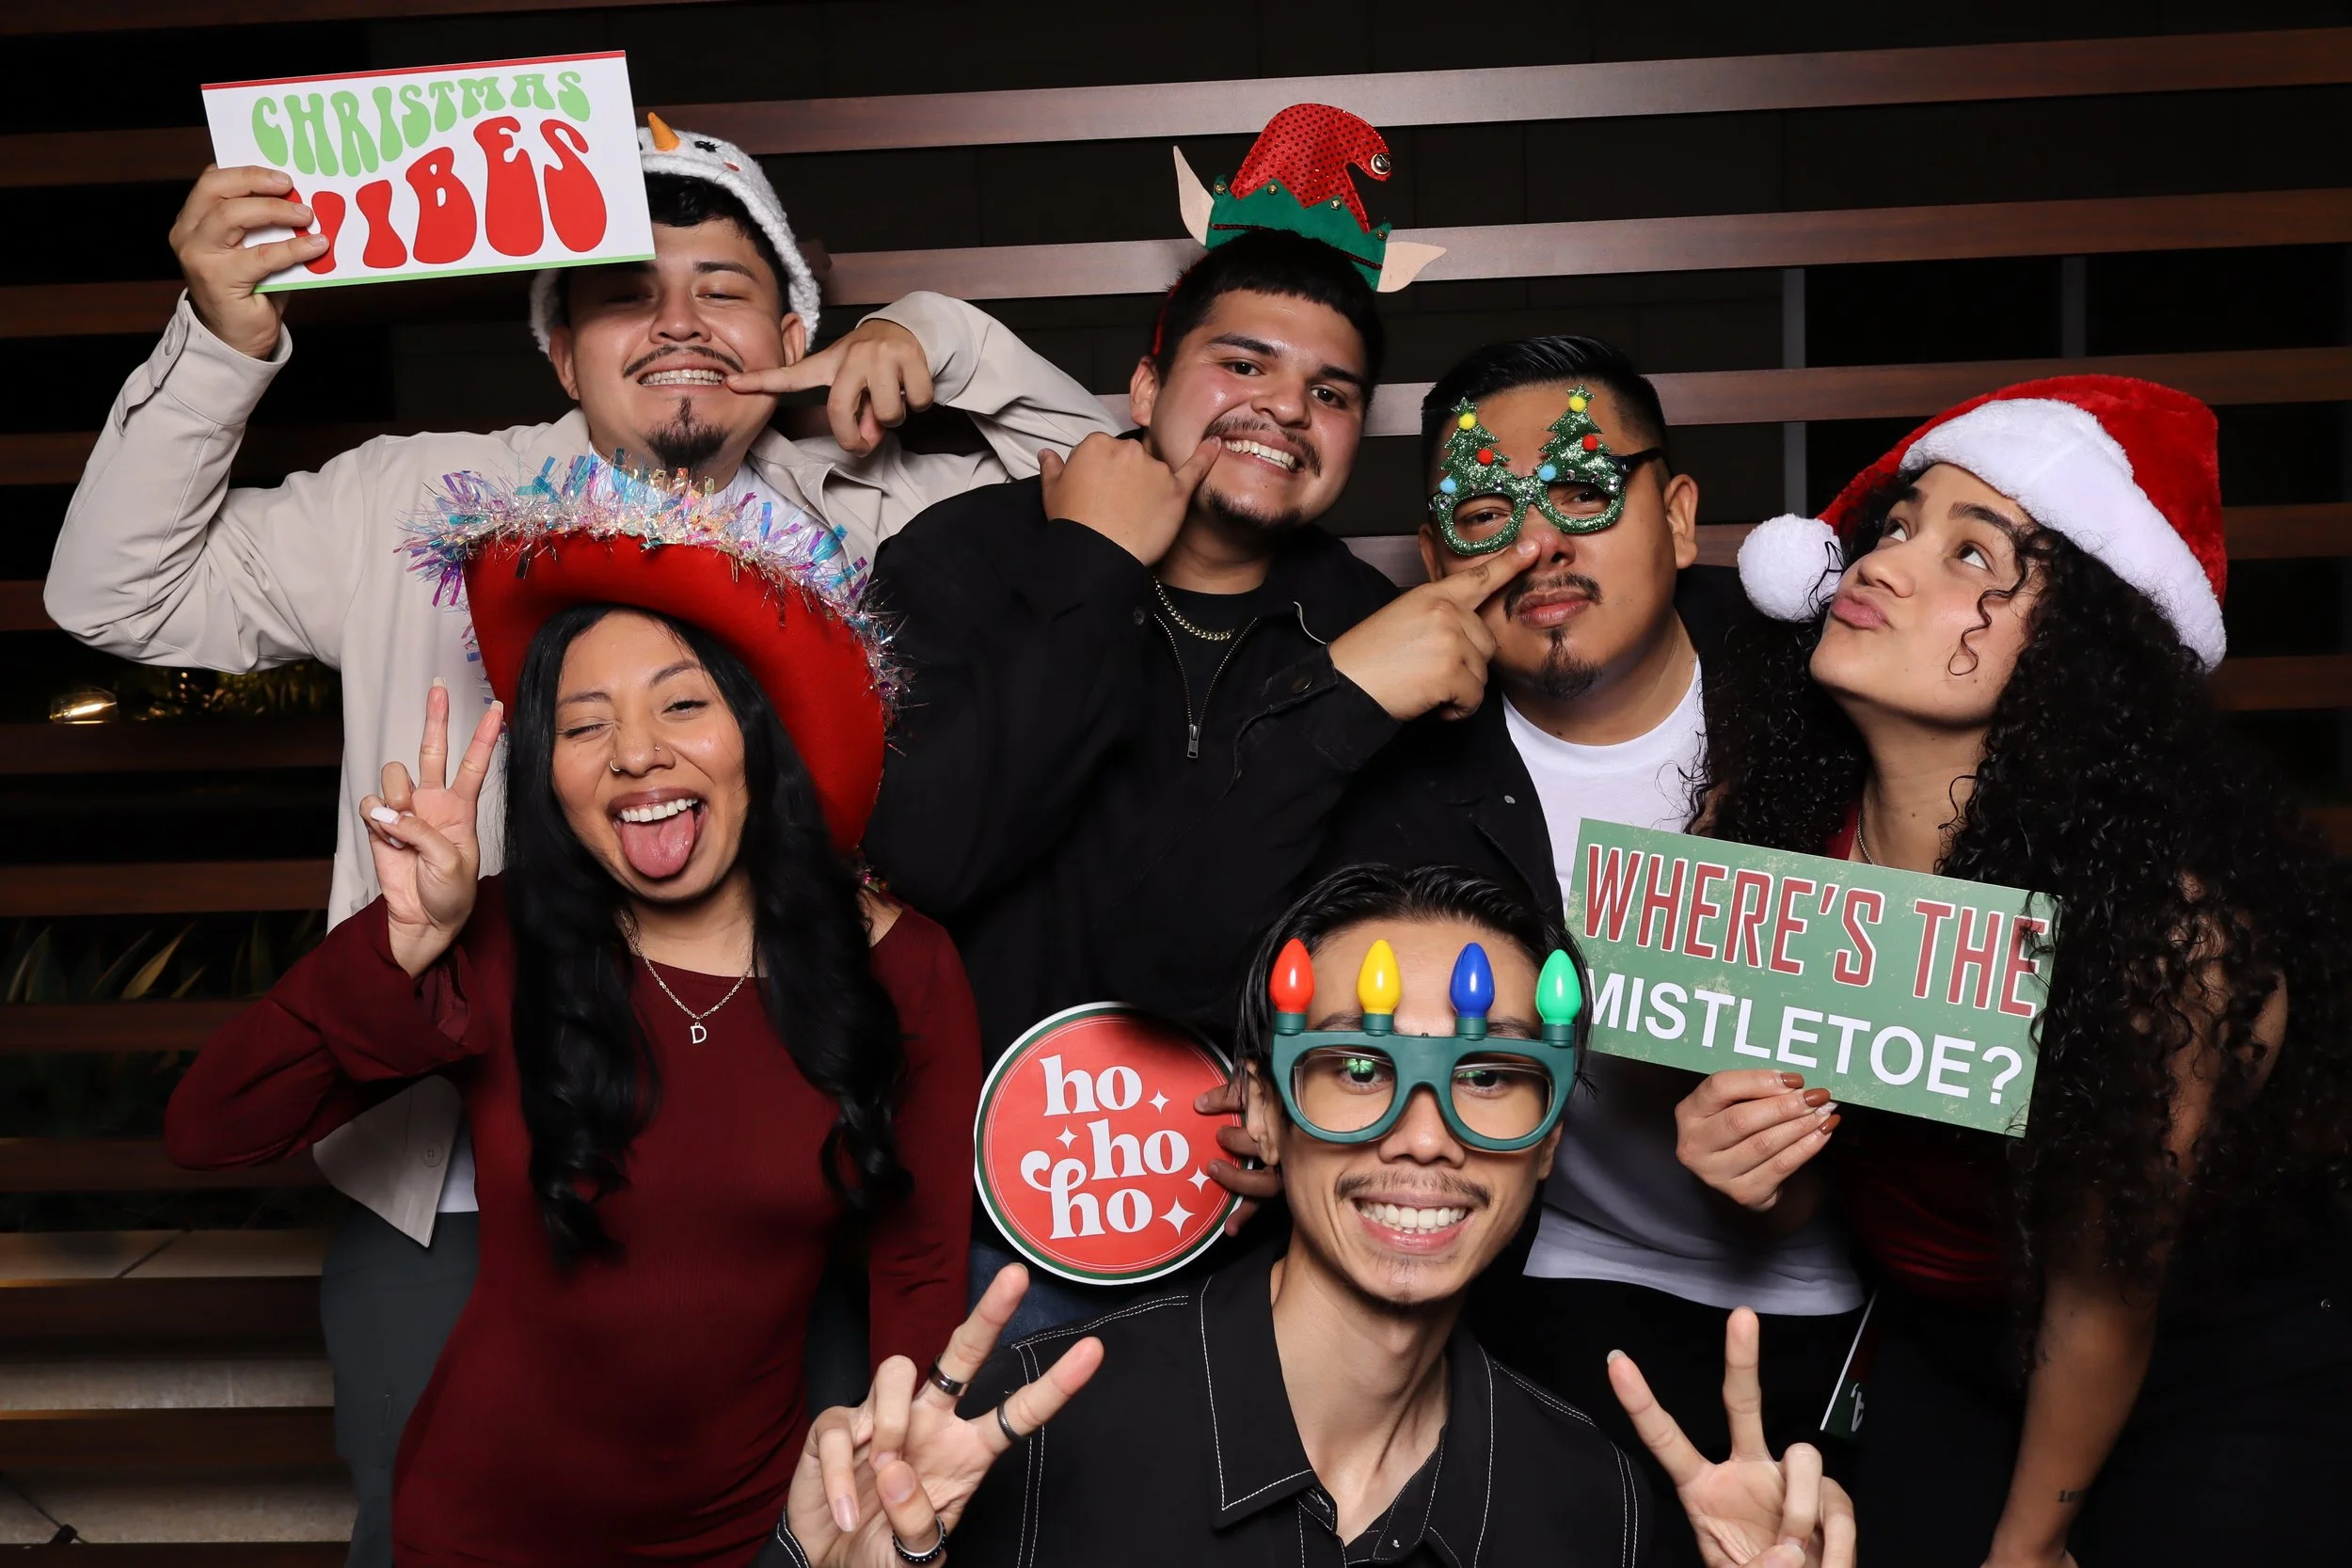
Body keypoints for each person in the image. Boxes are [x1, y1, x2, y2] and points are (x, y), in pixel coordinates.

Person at [51, 120, 1112, 1561]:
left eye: (726, 289)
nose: (679, 323)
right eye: (626, 291)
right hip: (455, 1195)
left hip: (770, 1204)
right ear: (559, 351)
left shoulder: (873, 516)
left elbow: (1117, 498)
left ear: (792, 329)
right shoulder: (410, 500)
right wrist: (222, 343)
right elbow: (115, 593)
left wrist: (939, 343)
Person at [165, 463, 979, 1565]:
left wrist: (897, 1459)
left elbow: (920, 1260)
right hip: (484, 1525)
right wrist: (402, 941)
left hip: (743, 1532)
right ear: (548, 773)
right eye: (583, 724)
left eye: (683, 703)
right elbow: (212, 1126)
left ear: (760, 733)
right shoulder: (503, 939)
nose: (636, 752)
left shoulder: (899, 962)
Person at [1680, 374, 2352, 1565]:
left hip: (2212, 1355)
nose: (1883, 563)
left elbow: (2105, 1287)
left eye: (1975, 555)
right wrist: (1752, 1160)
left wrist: (2024, 1549)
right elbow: (1816, 1175)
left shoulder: (2160, 940)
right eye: (1897, 527)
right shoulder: (1772, 844)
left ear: (2078, 660)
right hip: (1950, 1336)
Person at [759, 864, 1857, 1568]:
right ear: (1264, 1120)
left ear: (1551, 1141)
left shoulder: (1593, 1506)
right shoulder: (1025, 1432)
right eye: (1353, 1065)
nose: (1424, 1135)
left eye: (1487, 1076)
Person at [1307, 339, 1864, 1560]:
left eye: (1584, 491)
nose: (1540, 543)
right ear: (1440, 555)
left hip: (1846, 1296)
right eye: (1487, 509)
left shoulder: (1830, 712)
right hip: (1562, 1279)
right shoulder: (1402, 764)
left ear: (1676, 514)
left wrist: (1822, 1142)